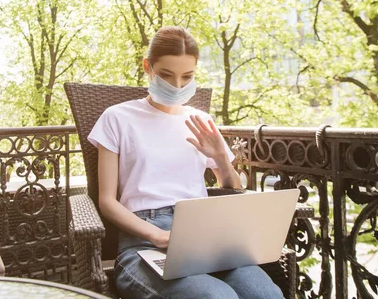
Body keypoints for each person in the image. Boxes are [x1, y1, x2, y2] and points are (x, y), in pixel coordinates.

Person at [88, 26, 284, 299]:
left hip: (206, 239)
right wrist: (158, 236)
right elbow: (107, 201)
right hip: (143, 242)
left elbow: (232, 188)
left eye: (187, 77)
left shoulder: (199, 121)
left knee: (267, 296)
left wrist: (220, 158)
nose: (177, 86)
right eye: (166, 75)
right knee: (216, 297)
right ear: (148, 67)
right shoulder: (118, 118)